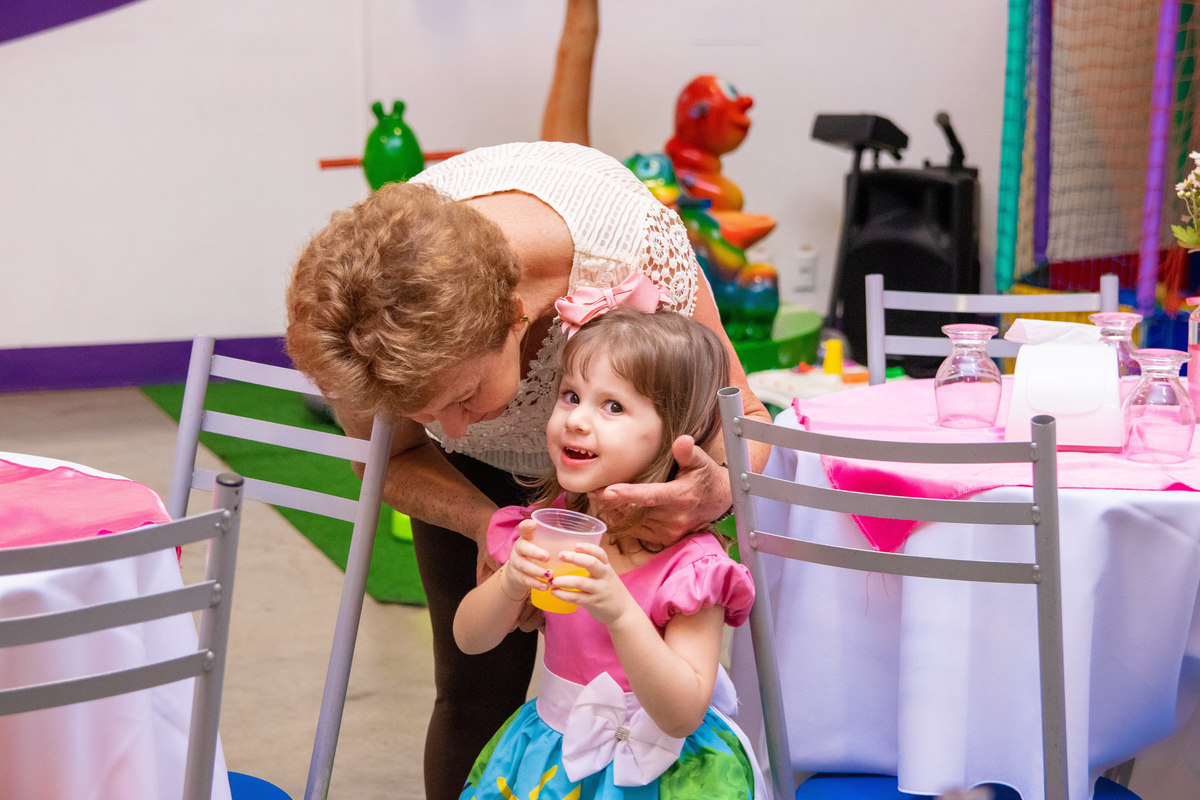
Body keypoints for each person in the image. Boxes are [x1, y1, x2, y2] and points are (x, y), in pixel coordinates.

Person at [285, 14, 769, 800]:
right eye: (425, 410)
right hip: (501, 514)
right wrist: (488, 525)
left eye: (464, 397)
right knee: (472, 694)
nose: (453, 430)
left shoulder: (626, 247)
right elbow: (391, 457)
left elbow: (748, 424)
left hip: (636, 508)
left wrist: (719, 483)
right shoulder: (366, 321)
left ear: (517, 316)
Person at [453, 304, 760, 798]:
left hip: (665, 776)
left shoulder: (692, 567)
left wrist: (620, 612)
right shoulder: (551, 529)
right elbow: (469, 639)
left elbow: (682, 712)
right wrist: (509, 582)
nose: (576, 419)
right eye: (571, 395)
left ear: (678, 432)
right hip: (550, 762)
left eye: (613, 406)